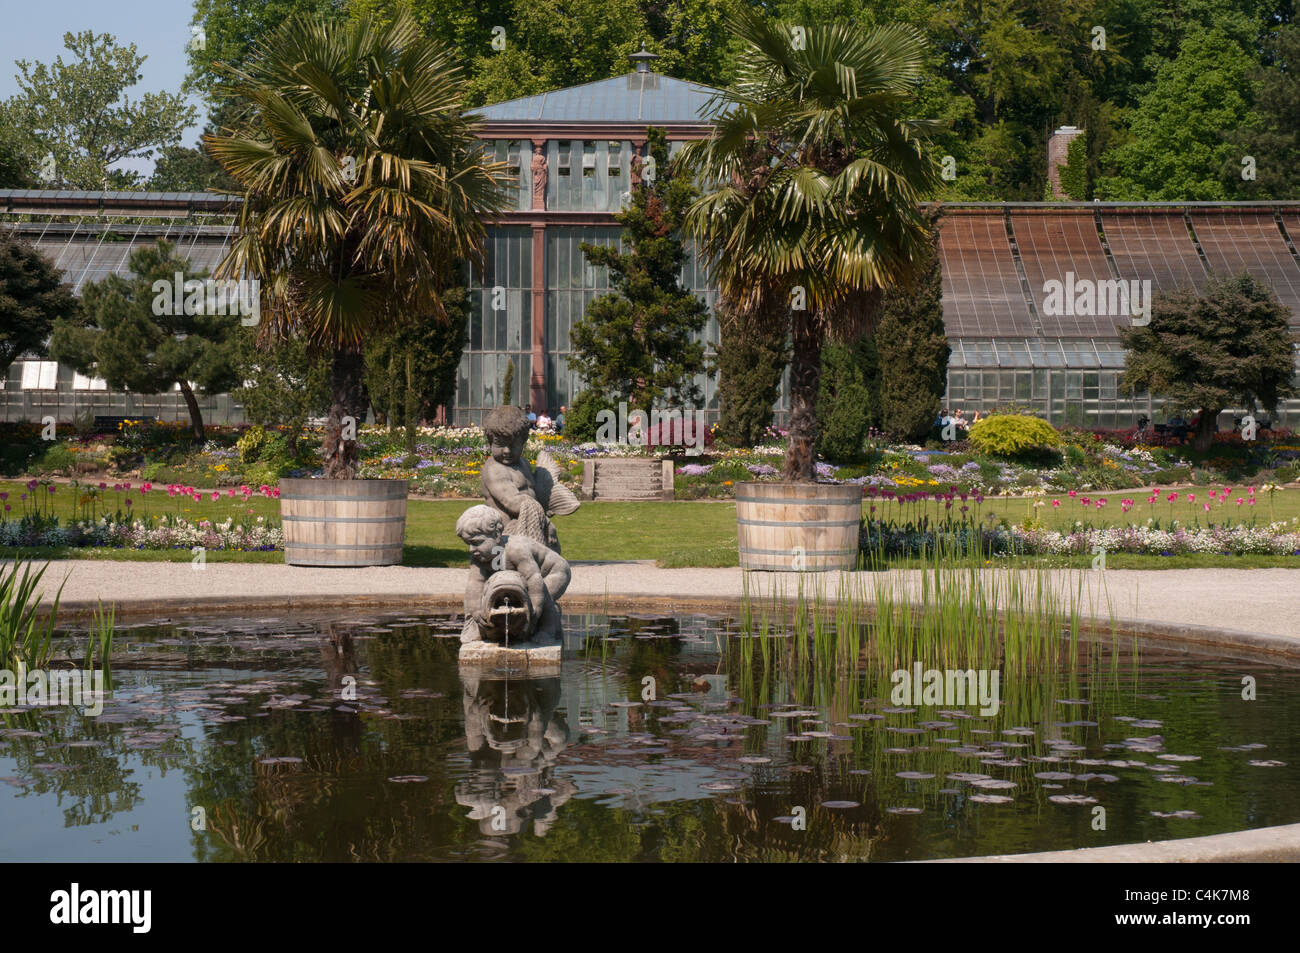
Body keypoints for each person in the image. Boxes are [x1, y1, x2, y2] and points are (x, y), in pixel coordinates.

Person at [456, 505, 571, 645]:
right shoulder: (479, 557)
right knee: (478, 595)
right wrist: (475, 610)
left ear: (496, 535)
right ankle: (473, 628)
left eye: (477, 543)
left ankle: (548, 630)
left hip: (554, 571)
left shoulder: (516, 549)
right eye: (468, 543)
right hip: (535, 575)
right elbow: (474, 584)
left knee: (544, 595)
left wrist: (536, 605)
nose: (472, 549)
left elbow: (533, 578)